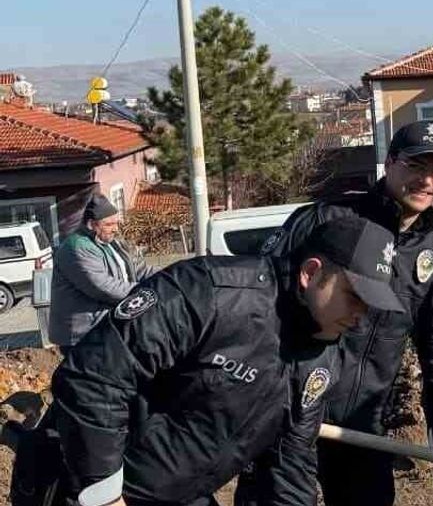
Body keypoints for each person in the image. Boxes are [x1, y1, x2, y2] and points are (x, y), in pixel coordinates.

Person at [49, 217, 403, 506]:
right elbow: (92, 378)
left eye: (371, 304)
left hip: (180, 492)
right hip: (84, 479)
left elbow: (290, 458)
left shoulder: (324, 354)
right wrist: (104, 495)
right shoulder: (208, 293)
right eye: (354, 297)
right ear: (310, 273)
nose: (361, 316)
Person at [245, 120, 433, 506]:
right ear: (389, 163)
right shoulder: (328, 219)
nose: (426, 181)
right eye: (416, 166)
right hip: (288, 411)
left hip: (361, 426)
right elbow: (261, 301)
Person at [49, 193, 154, 347]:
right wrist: (147, 293)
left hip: (105, 329)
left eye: (117, 223)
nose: (115, 229)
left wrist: (170, 276)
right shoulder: (77, 248)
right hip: (83, 336)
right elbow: (104, 287)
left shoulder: (111, 242)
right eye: (109, 224)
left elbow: (139, 269)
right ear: (91, 225)